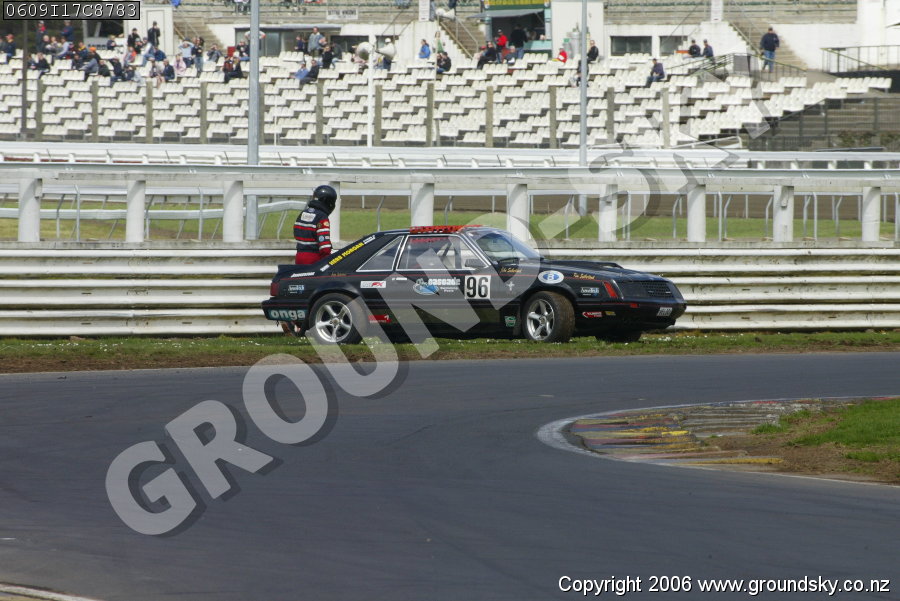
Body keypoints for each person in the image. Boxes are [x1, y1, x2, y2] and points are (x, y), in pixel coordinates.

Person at [293, 185, 337, 264]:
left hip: (299, 256)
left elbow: (296, 233)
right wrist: (328, 259)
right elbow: (325, 246)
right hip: (315, 259)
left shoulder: (303, 213)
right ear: (328, 202)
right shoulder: (322, 217)